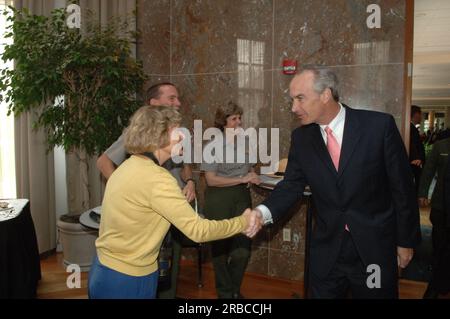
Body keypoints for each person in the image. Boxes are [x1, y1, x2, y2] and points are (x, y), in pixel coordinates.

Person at [248, 65, 421, 298]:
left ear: (326, 94)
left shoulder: (378, 127)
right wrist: (262, 212)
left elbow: (403, 189)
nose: (293, 108)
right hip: (328, 252)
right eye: (292, 100)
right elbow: (291, 186)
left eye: (300, 98)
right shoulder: (302, 138)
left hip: (372, 253)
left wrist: (405, 241)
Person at [88, 106, 260, 299]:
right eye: (178, 131)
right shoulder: (158, 178)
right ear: (159, 135)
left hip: (104, 270)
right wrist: (244, 221)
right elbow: (199, 231)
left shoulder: (126, 167)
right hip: (128, 279)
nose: (184, 136)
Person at [95, 82, 194, 299]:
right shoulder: (137, 133)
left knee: (169, 271)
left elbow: (185, 166)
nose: (178, 102)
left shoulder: (176, 132)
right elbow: (103, 162)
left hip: (174, 212)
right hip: (149, 217)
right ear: (154, 103)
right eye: (172, 98)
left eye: (178, 98)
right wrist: (129, 190)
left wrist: (190, 182)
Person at [200, 102, 261, 299]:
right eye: (234, 118)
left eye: (239, 118)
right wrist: (241, 179)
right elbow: (210, 179)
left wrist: (253, 176)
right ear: (223, 122)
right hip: (218, 198)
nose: (239, 122)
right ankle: (226, 294)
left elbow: (250, 168)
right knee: (219, 250)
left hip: (241, 197)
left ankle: (233, 290)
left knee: (242, 248)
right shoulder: (212, 146)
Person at [418, 136, 450, 298]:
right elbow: (429, 170)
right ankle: (438, 284)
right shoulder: (440, 146)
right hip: (440, 206)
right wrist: (423, 193)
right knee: (440, 246)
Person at [409, 105, 425, 193]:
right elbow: (411, 143)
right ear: (416, 115)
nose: (421, 117)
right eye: (420, 114)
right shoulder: (410, 128)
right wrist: (416, 157)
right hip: (415, 162)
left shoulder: (412, 127)